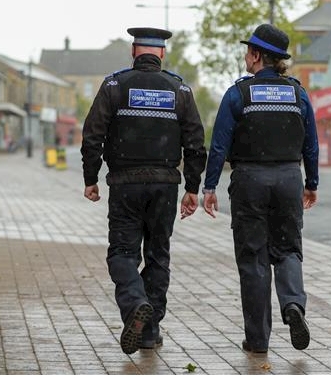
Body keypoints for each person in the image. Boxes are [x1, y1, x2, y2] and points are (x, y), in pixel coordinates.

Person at [81, 27, 207, 355]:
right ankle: (150, 332)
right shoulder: (180, 90)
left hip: (125, 185)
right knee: (157, 255)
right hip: (165, 186)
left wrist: (91, 178)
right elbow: (196, 143)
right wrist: (192, 187)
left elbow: (92, 134)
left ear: (133, 51)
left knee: (122, 253)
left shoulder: (114, 86)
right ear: (162, 53)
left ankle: (135, 302)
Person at [202, 24, 319, 353]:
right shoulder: (298, 94)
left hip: (249, 180)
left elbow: (219, 145)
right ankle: (293, 304)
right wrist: (311, 183)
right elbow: (311, 144)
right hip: (288, 178)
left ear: (256, 56)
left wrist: (210, 186)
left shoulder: (238, 94)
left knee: (253, 258)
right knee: (288, 250)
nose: (245, 57)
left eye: (247, 51)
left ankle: (257, 340)